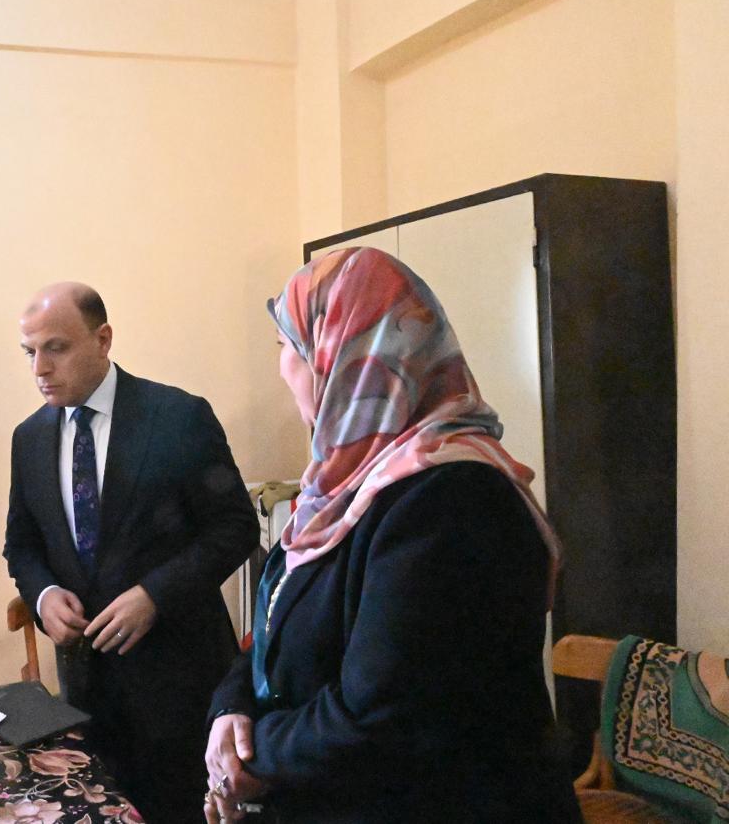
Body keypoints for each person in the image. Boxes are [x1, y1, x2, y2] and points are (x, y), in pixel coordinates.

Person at [203, 247, 582, 823]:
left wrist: (253, 757)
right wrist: (232, 708)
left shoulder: (454, 500)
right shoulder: (338, 487)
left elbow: (383, 715)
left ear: (345, 355)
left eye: (288, 346)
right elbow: (277, 620)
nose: (280, 369)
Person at [4, 282, 260, 824]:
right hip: (86, 695)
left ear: (103, 339)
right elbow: (22, 544)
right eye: (29, 352)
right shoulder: (29, 438)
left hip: (181, 684)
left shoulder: (178, 416)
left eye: (56, 348)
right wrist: (43, 594)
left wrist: (155, 595)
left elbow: (237, 527)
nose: (39, 369)